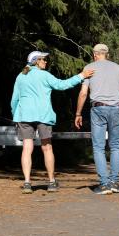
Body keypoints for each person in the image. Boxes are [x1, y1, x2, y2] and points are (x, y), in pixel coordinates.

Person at [11, 50, 94, 194]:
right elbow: (62, 85)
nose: (46, 61)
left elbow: (14, 99)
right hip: (43, 115)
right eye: (43, 59)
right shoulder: (45, 75)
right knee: (47, 148)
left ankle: (27, 183)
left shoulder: (21, 76)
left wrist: (15, 115)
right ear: (36, 61)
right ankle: (51, 182)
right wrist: (81, 76)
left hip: (24, 115)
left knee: (26, 149)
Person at [74, 43, 119, 194]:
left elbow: (83, 93)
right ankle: (115, 182)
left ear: (94, 54)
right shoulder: (117, 68)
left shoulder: (89, 68)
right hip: (116, 108)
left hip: (98, 109)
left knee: (98, 147)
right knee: (115, 146)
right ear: (107, 54)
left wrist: (78, 113)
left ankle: (104, 184)